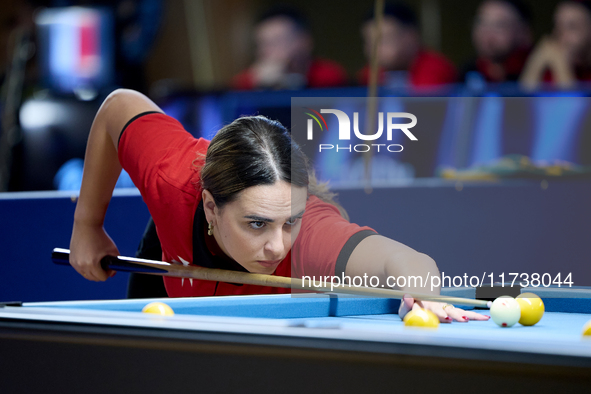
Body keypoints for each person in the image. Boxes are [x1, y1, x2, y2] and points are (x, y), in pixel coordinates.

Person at [69, 88, 489, 323]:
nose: (277, 247)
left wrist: (422, 294)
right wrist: (87, 224)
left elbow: (406, 260)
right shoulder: (171, 175)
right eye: (257, 224)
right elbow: (117, 107)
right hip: (171, 266)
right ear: (212, 208)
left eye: (288, 221)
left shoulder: (310, 235)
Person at [232, 6, 347, 90]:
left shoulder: (329, 76)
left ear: (305, 42)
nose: (266, 51)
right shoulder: (246, 82)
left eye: (277, 41)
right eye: (262, 44)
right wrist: (262, 89)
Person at [357, 3, 456, 89]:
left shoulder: (434, 68)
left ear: (410, 36)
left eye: (384, 40)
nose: (375, 50)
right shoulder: (370, 74)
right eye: (369, 42)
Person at [520, 0, 591, 89]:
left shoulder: (558, 62)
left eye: (571, 27)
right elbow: (522, 100)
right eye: (557, 26)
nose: (560, 33)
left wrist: (562, 65)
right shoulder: (549, 70)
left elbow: (573, 102)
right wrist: (536, 63)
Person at [462, 0, 532, 84]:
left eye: (499, 25)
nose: (487, 32)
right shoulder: (467, 72)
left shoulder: (537, 69)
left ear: (523, 32)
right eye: (480, 22)